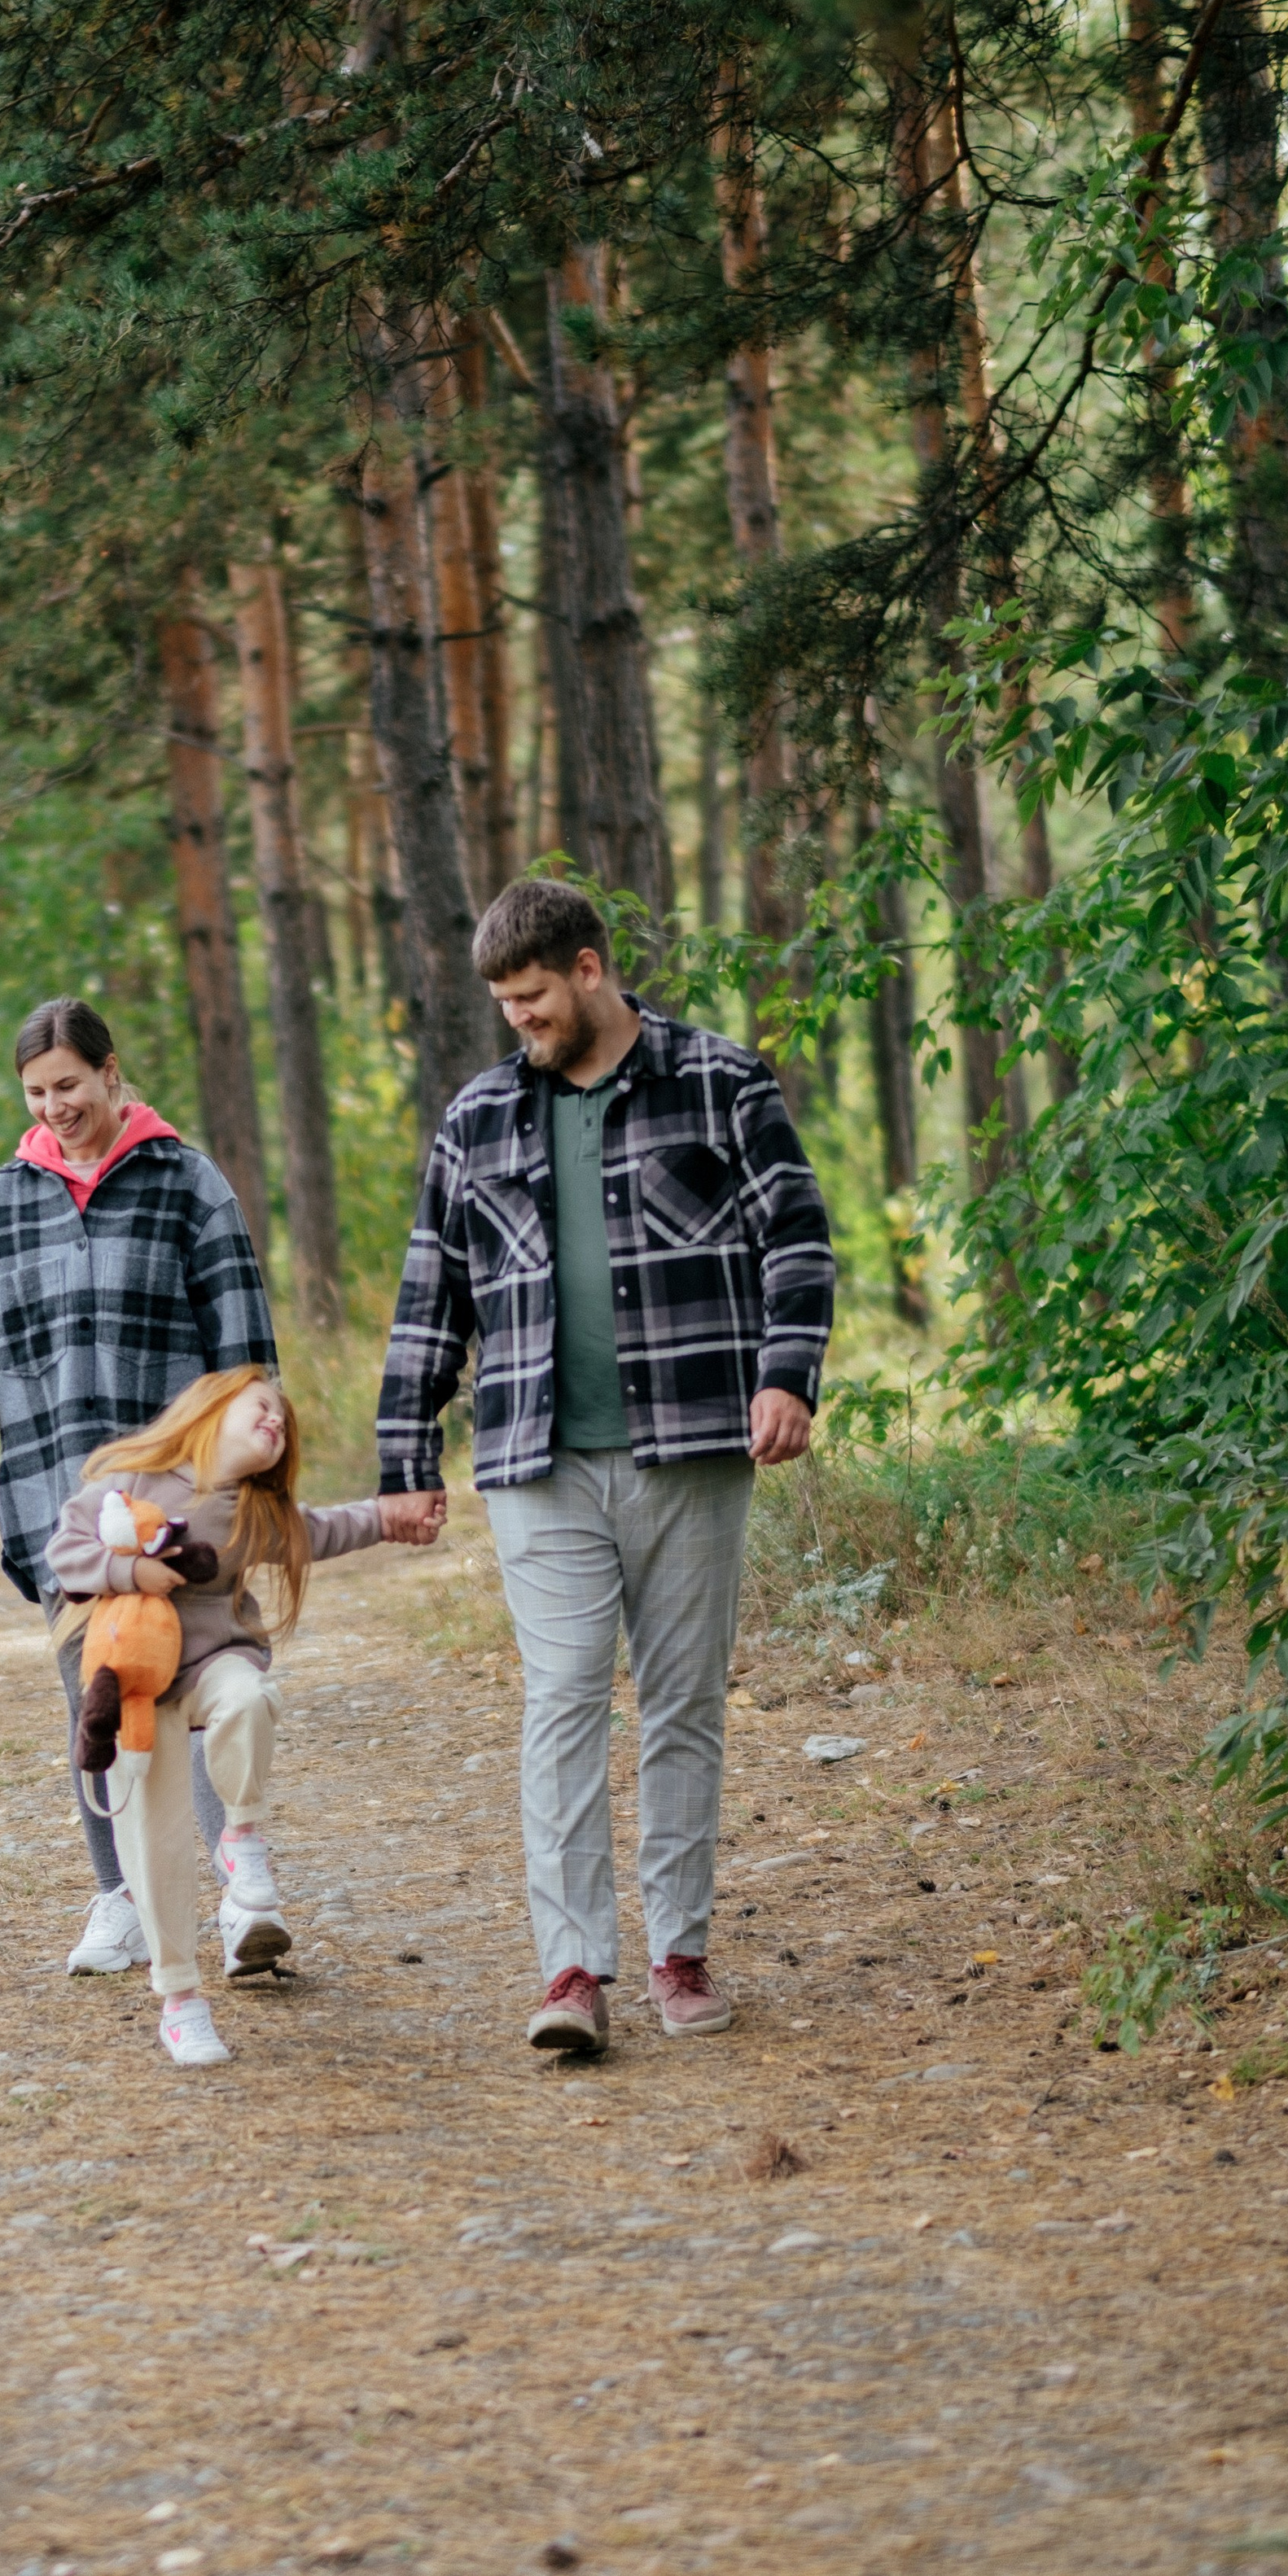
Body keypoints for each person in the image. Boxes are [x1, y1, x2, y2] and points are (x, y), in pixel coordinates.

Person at [375, 877, 835, 2057]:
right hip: (537, 1459)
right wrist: (403, 1450)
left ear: (590, 970)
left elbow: (797, 1233)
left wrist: (787, 1373)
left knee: (683, 1706)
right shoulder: (476, 1118)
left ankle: (681, 1954)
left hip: (691, 1449)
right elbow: (434, 1289)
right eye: (503, 1004)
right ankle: (572, 1968)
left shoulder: (721, 1081)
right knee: (565, 1698)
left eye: (531, 997)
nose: (518, 1021)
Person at [0, 998, 278, 1977]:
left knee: (199, 1689)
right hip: (62, 1512)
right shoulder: (3, 1202)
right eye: (36, 1092)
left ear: (113, 1074)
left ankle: (241, 1895)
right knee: (98, 1708)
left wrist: (259, 1477)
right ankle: (120, 1898)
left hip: (182, 1505)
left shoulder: (188, 1186)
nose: (55, 1106)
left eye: (70, 1084)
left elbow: (244, 1356)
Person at [46, 1367, 440, 2066]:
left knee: (250, 1698)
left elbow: (323, 1528)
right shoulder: (132, 1476)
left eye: (284, 1424)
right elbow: (67, 1554)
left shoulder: (253, 1510)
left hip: (214, 1662)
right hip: (140, 1687)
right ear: (211, 1408)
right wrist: (132, 1573)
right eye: (263, 1408)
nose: (276, 1424)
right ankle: (180, 2002)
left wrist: (390, 1517)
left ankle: (242, 1837)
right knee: (155, 1848)